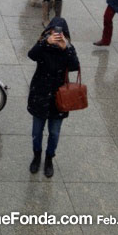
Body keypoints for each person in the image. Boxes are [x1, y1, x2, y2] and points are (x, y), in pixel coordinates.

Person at [27, 17, 80, 178]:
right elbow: (31, 55)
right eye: (53, 31)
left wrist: (66, 48)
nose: (57, 35)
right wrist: (45, 42)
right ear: (48, 31)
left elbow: (75, 66)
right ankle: (37, 156)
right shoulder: (43, 44)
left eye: (60, 32)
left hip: (59, 98)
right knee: (37, 131)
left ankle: (49, 158)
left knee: (54, 132)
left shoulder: (68, 47)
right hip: (40, 94)